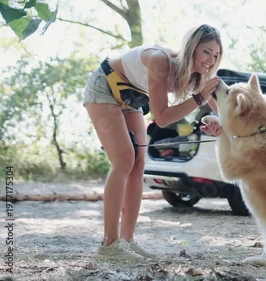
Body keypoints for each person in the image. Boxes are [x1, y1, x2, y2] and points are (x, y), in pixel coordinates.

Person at [82, 24, 223, 261]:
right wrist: (199, 98)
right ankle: (109, 245)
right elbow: (162, 117)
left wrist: (218, 122)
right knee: (124, 159)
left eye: (216, 55)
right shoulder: (160, 60)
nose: (211, 60)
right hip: (104, 85)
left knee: (138, 164)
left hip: (131, 96)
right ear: (192, 48)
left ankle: (126, 242)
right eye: (206, 52)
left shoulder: (198, 75)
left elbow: (216, 109)